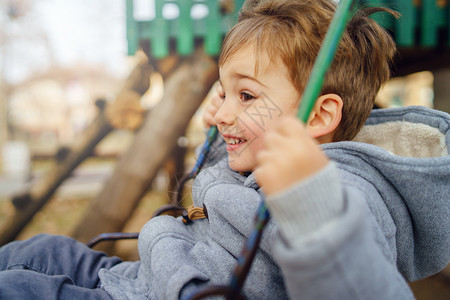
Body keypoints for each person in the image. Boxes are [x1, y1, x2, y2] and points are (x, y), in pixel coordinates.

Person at [0, 0, 448, 299]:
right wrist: (220, 142)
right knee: (39, 251)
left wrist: (316, 212)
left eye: (247, 96)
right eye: (225, 92)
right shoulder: (269, 158)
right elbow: (233, 197)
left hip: (161, 291)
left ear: (317, 116)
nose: (220, 113)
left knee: (17, 287)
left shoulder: (344, 193)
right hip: (144, 274)